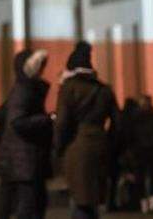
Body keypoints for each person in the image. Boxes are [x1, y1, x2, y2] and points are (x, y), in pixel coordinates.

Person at [54, 41, 118, 219]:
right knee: (93, 199)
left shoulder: (68, 88)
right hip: (100, 144)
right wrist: (111, 145)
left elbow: (61, 123)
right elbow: (118, 123)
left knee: (80, 199)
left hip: (76, 146)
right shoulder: (105, 90)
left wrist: (58, 147)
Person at [0, 49, 52, 219]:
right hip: (25, 161)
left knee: (29, 206)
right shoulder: (24, 89)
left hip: (23, 160)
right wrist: (47, 119)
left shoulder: (26, 88)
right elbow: (17, 121)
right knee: (29, 208)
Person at [128, 95, 153, 214]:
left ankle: (143, 204)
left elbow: (129, 135)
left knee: (140, 177)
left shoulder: (134, 118)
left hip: (139, 151)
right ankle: (152, 203)